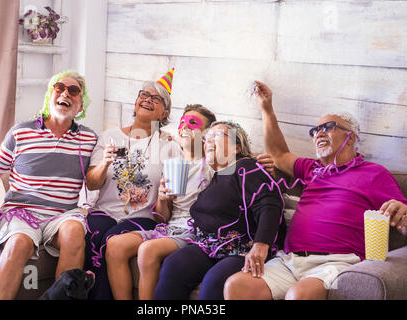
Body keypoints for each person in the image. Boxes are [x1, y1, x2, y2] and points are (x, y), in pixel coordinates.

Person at [223, 81, 407, 300]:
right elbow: (279, 155)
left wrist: (403, 212)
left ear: (351, 138)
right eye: (315, 130)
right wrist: (267, 108)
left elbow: (402, 216)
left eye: (327, 127)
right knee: (236, 285)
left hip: (337, 262)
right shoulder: (313, 169)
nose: (318, 133)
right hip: (290, 260)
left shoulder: (374, 174)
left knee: (298, 295)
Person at [0, 70, 98, 299]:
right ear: (49, 97)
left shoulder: (89, 138)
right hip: (21, 212)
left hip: (63, 214)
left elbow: (98, 176)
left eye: (74, 91)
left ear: (81, 106)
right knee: (19, 244)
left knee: (74, 233)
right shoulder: (21, 132)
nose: (65, 94)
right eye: (59, 88)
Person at [153, 120, 285, 300]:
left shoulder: (246, 167)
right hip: (209, 246)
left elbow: (270, 203)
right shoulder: (214, 178)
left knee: (214, 282)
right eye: (206, 139)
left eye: (216, 135)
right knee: (173, 266)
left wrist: (261, 245)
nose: (208, 141)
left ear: (237, 148)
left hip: (242, 248)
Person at [83, 68, 182, 300]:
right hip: (104, 210)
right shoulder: (110, 137)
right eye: (143, 94)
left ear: (164, 112)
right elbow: (92, 183)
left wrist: (165, 200)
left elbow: (169, 208)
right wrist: (105, 163)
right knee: (92, 236)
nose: (147, 99)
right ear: (136, 101)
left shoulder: (171, 147)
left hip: (143, 217)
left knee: (110, 243)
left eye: (156, 98)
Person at [105, 104, 216, 300]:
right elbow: (162, 217)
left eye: (193, 124)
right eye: (182, 122)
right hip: (171, 227)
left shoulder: (211, 167)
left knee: (148, 249)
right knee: (115, 245)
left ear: (206, 134)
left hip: (194, 231)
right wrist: (163, 199)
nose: (185, 127)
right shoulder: (173, 164)